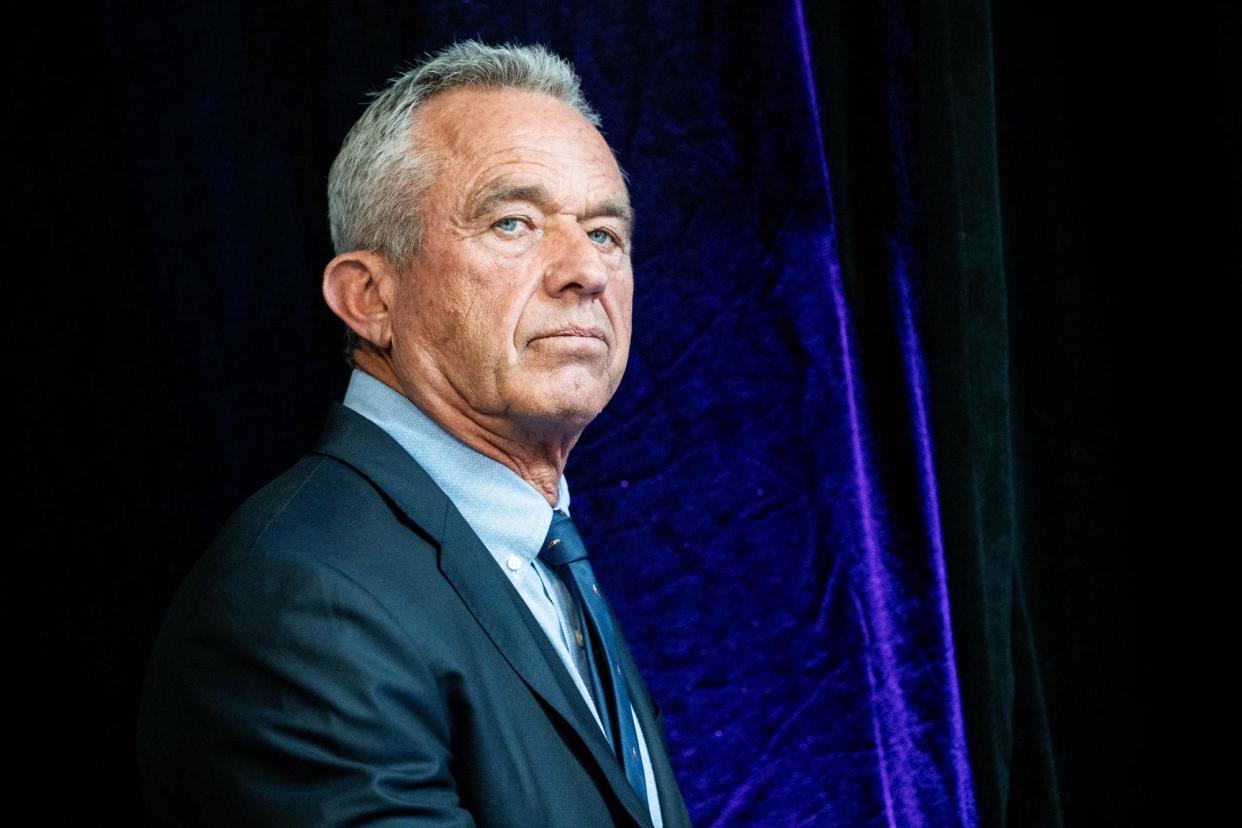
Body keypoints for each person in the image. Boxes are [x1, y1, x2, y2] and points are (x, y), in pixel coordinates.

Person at [138, 41, 691, 828]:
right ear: (368, 296)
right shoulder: (301, 605)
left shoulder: (543, 556)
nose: (586, 272)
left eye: (605, 233)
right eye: (513, 222)